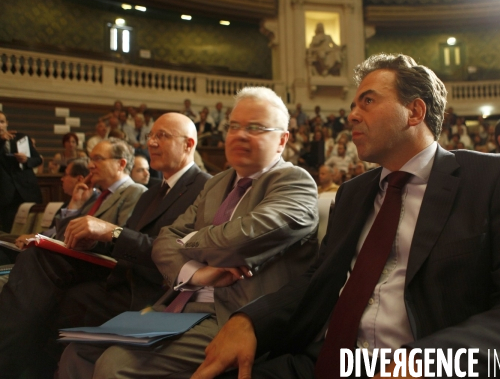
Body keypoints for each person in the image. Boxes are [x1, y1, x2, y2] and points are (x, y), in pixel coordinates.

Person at [193, 53, 500, 379]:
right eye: (354, 104)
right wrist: (250, 320)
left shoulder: (491, 179)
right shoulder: (354, 193)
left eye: (368, 101)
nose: (351, 115)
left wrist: (430, 361)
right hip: (325, 363)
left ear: (415, 112)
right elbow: (317, 282)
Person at [58, 87, 319, 378]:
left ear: (282, 140)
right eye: (234, 126)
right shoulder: (217, 183)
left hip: (233, 316)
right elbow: (163, 242)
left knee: (115, 365)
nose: (241, 135)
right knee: (78, 352)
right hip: (177, 304)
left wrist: (190, 240)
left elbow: (239, 239)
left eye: (255, 128)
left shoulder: (295, 182)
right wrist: (196, 273)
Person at [0, 114, 211, 378]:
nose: (152, 143)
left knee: (55, 304)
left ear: (189, 144)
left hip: (152, 293)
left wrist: (111, 232)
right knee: (39, 256)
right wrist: (96, 240)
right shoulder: (152, 192)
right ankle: (14, 361)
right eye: (151, 136)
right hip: (120, 278)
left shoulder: (205, 187)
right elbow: (123, 244)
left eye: (163, 136)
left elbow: (175, 252)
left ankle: (11, 361)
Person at [0, 110, 43, 232]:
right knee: (9, 230)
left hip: (27, 190)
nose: (0, 125)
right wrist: (1, 141)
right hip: (6, 195)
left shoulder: (21, 137)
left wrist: (27, 160)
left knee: (33, 227)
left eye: (2, 122)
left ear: (7, 123)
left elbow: (38, 159)